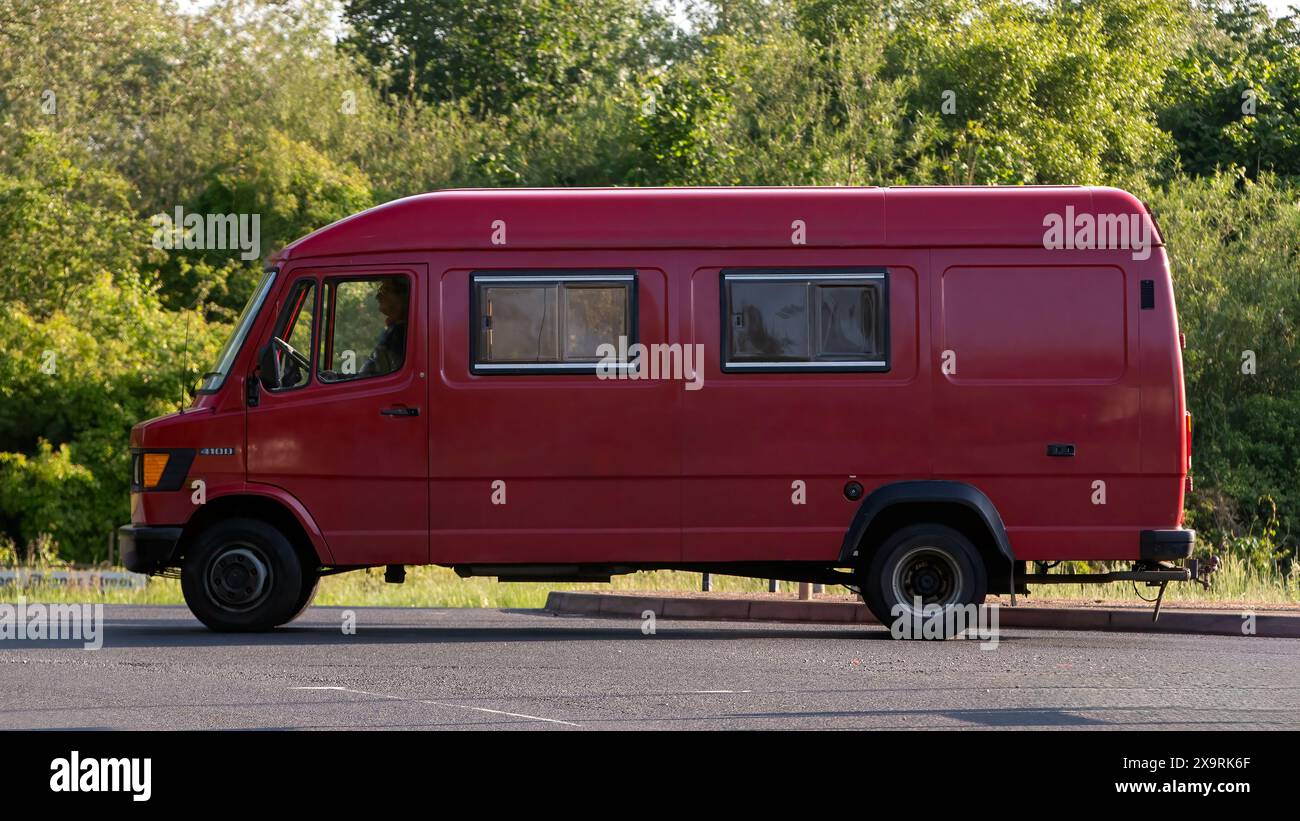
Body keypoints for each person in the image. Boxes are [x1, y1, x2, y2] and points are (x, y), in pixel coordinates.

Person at [359, 277, 408, 376]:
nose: (377, 296)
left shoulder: (400, 333)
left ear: (402, 297)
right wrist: (338, 377)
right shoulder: (394, 329)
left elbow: (383, 377)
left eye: (385, 290)